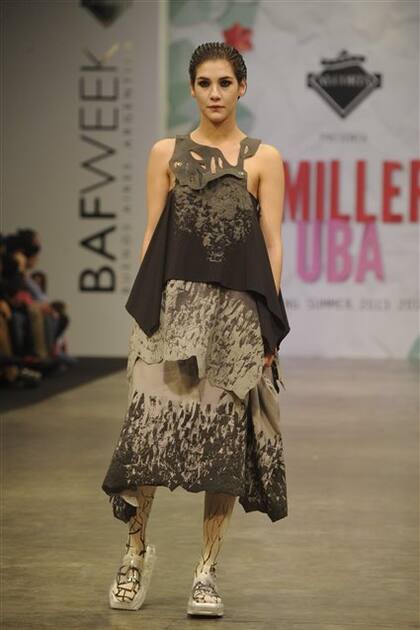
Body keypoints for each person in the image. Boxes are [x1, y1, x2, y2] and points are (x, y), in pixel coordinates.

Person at [101, 41, 291, 618]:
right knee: (147, 438)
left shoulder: (264, 159)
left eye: (225, 83)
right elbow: (152, 233)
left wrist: (267, 328)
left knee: (222, 446)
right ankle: (134, 554)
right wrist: (145, 319)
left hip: (235, 316)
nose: (214, 93)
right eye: (205, 83)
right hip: (172, 309)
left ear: (241, 88)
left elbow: (273, 245)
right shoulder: (166, 152)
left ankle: (206, 571)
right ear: (191, 89)